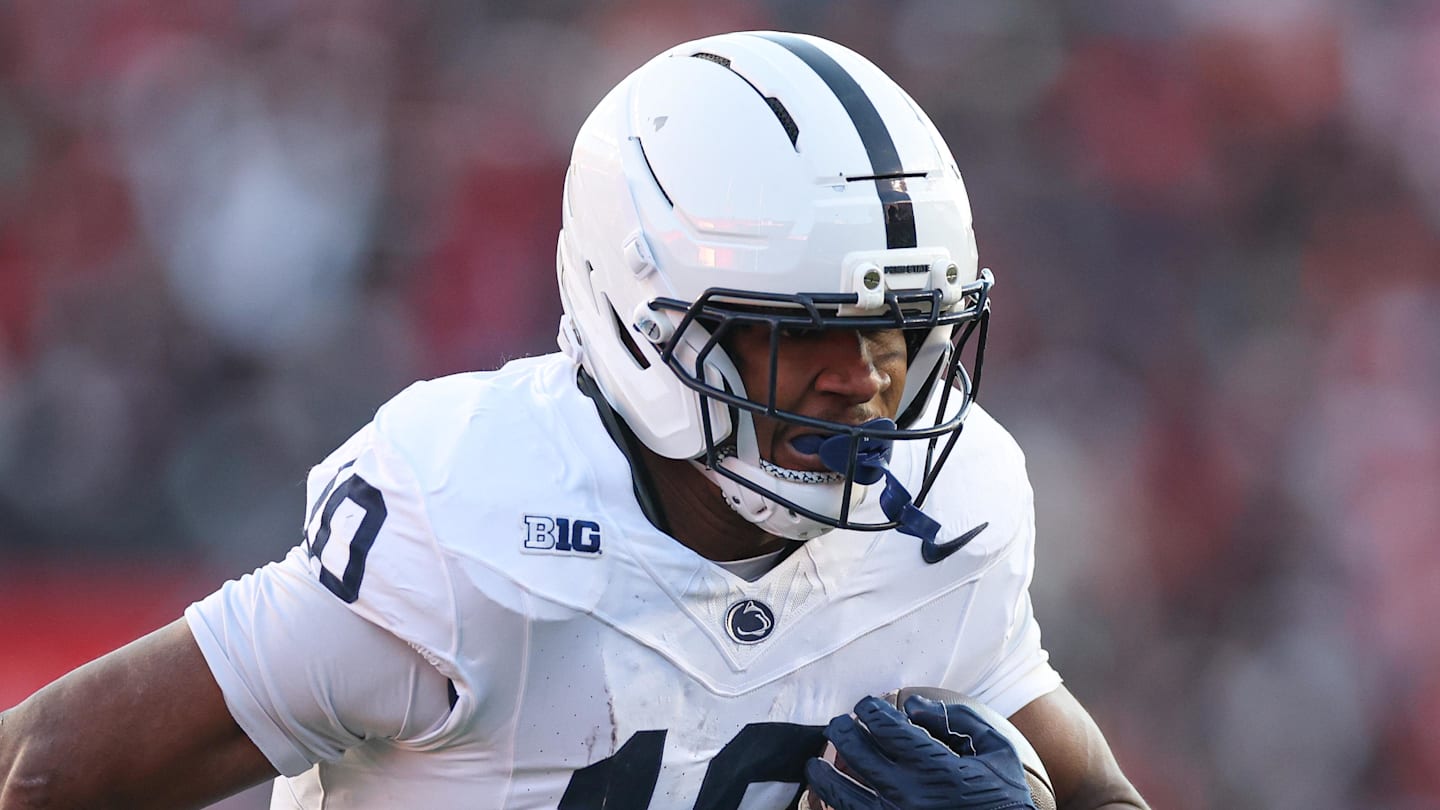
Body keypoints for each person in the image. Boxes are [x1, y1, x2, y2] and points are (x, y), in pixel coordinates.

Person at [0, 31, 1148, 810]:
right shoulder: (473, 524)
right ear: (639, 313)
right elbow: (48, 770)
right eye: (802, 335)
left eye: (899, 330)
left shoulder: (951, 520)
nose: (867, 381)